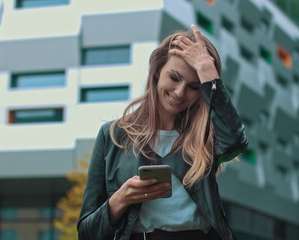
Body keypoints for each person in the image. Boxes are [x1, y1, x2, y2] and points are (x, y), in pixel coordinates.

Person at [77, 25, 248, 240]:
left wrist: (209, 74)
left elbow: (235, 142)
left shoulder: (206, 137)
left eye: (194, 86)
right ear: (157, 72)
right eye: (174, 78)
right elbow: (87, 233)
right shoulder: (113, 136)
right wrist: (119, 200)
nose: (180, 93)